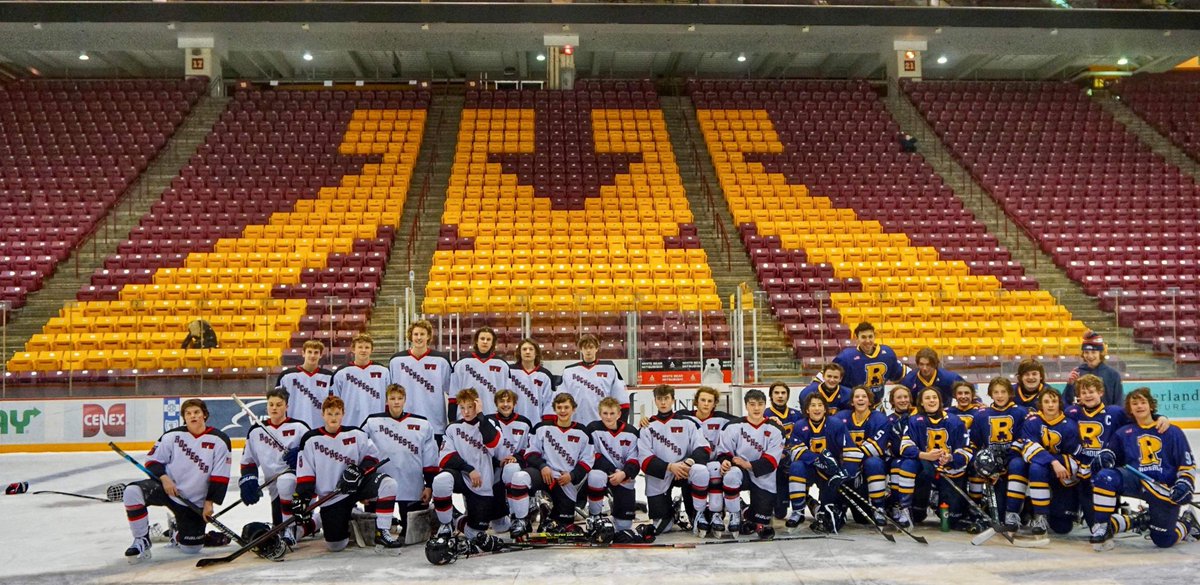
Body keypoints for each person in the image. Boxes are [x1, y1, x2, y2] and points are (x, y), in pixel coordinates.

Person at [121, 398, 231, 562]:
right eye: (188, 413)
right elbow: (152, 461)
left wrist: (209, 502)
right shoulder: (172, 436)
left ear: (205, 415)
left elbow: (220, 476)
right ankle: (141, 539)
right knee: (132, 492)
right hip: (168, 490)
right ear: (184, 417)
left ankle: (176, 532)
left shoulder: (219, 440)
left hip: (194, 502)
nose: (193, 416)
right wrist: (164, 478)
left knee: (191, 549)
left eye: (196, 412)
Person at [1090, 387, 1199, 550]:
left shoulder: (1172, 431)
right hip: (1136, 481)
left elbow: (1187, 464)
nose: (1139, 406)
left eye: (1143, 402)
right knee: (1105, 477)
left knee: (1163, 540)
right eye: (1135, 403)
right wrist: (1105, 457)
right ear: (1130, 408)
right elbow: (1111, 452)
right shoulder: (1124, 433)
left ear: (1151, 406)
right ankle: (1103, 526)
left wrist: (1184, 483)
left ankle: (1187, 521)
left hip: (1162, 488)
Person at [294, 395, 402, 551]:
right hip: (333, 496)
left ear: (343, 414)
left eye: (337, 413)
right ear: (323, 414)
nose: (333, 417)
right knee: (336, 545)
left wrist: (359, 470)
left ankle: (383, 531)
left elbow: (372, 456)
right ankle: (321, 520)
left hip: (357, 486)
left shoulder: (356, 434)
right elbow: (306, 474)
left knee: (388, 484)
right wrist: (302, 498)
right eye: (330, 414)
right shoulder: (311, 439)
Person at [1067, 374, 1171, 529]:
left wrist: (1160, 417)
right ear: (1078, 396)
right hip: (1082, 471)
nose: (1088, 395)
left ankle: (1136, 518)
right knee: (1092, 524)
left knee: (1103, 522)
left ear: (1101, 392)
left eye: (1091, 391)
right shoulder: (1072, 412)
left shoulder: (1115, 412)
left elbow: (1140, 418)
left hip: (1106, 471)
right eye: (1083, 393)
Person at [360, 384, 438, 543]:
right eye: (392, 398)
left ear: (405, 400)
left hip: (412, 483)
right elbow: (360, 451)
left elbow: (430, 457)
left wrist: (429, 485)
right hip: (380, 484)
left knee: (412, 536)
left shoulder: (422, 423)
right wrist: (363, 488)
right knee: (374, 535)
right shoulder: (372, 421)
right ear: (386, 400)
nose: (396, 402)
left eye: (400, 398)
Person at [430, 388, 505, 553]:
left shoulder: (490, 424)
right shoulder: (453, 428)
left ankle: (458, 520)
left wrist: (481, 416)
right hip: (462, 476)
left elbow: (493, 444)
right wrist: (468, 469)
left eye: (470, 407)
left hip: (483, 483)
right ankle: (445, 524)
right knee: (441, 480)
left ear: (477, 405)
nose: (466, 411)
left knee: (476, 534)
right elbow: (445, 458)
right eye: (462, 408)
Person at [509, 393, 595, 535]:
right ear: (554, 409)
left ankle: (547, 515)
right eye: (559, 407)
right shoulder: (541, 427)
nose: (562, 411)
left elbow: (587, 462)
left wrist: (572, 476)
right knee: (519, 477)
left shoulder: (583, 432)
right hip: (544, 474)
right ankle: (521, 521)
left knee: (563, 525)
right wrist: (543, 466)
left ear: (573, 409)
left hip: (565, 481)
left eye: (566, 407)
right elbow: (530, 454)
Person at [238, 388, 315, 547]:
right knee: (280, 528)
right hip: (273, 486)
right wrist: (248, 480)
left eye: (279, 404)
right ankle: (316, 523)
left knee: (285, 481)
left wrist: (300, 456)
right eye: (271, 404)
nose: (274, 408)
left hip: (298, 486)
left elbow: (314, 456)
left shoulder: (300, 427)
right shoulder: (256, 431)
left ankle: (290, 529)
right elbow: (248, 462)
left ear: (287, 406)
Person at [638, 384, 712, 534]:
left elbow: (704, 448)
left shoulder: (688, 422)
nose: (663, 402)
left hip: (685, 469)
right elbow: (644, 460)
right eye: (660, 399)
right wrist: (670, 467)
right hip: (663, 472)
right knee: (663, 528)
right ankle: (670, 512)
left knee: (700, 470)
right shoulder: (647, 426)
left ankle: (698, 513)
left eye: (666, 399)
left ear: (673, 400)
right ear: (655, 401)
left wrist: (688, 462)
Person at [1016, 388, 1086, 537]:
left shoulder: (1070, 425)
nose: (1050, 405)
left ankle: (1055, 509)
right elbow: (1029, 448)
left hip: (1064, 473)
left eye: (1054, 401)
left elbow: (1075, 457)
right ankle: (1039, 517)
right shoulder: (1032, 421)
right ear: (1040, 404)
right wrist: (1053, 461)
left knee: (1062, 527)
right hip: (1048, 466)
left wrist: (1056, 462)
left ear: (1059, 403)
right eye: (1046, 401)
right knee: (1036, 468)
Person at [897, 387, 971, 528]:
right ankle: (905, 509)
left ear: (940, 400)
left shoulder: (955, 422)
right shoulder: (915, 421)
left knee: (951, 521)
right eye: (927, 398)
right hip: (925, 468)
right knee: (907, 464)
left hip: (949, 469)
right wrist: (925, 455)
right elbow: (904, 447)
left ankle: (941, 496)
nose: (931, 400)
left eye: (934, 397)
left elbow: (966, 450)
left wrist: (950, 458)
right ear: (921, 403)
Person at [785, 392, 859, 532]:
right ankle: (798, 511)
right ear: (807, 409)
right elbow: (796, 451)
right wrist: (819, 461)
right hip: (811, 469)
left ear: (825, 409)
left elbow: (851, 450)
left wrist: (844, 473)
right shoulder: (800, 425)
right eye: (813, 405)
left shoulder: (836, 424)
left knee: (828, 508)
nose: (817, 408)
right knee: (796, 467)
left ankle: (815, 504)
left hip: (831, 472)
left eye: (820, 405)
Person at [715, 389, 783, 539]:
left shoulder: (775, 429)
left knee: (760, 521)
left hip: (764, 476)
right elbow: (724, 452)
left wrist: (748, 464)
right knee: (730, 475)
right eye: (752, 404)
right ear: (746, 405)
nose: (756, 408)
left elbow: (771, 462)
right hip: (740, 472)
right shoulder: (733, 426)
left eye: (760, 404)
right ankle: (734, 515)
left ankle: (744, 508)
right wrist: (725, 461)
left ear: (766, 405)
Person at [968, 377, 1029, 532]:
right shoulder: (981, 415)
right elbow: (974, 442)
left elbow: (1024, 438)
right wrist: (984, 465)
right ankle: (981, 513)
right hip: (994, 466)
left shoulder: (1021, 412)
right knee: (999, 514)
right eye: (996, 392)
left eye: (1003, 392)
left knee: (1018, 467)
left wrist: (1008, 460)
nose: (1000, 395)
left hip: (1014, 463)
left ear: (1010, 393)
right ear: (990, 394)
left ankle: (1017, 513)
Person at [677, 386, 736, 535]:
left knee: (715, 470)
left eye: (710, 401)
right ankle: (696, 514)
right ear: (696, 401)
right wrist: (648, 420)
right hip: (691, 463)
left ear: (714, 403)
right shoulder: (683, 416)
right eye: (703, 400)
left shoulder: (722, 418)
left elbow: (746, 421)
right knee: (692, 479)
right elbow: (662, 420)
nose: (706, 404)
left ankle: (716, 513)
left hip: (714, 463)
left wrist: (769, 419)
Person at [585, 397, 645, 543]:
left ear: (619, 414)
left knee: (624, 526)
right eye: (605, 413)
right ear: (600, 414)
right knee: (595, 476)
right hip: (605, 474)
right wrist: (613, 472)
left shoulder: (631, 432)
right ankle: (595, 515)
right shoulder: (592, 428)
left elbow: (635, 460)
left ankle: (616, 517)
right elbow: (593, 455)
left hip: (623, 476)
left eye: (612, 413)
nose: (608, 417)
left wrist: (624, 473)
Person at [388, 320, 454, 441]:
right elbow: (389, 393)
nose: (419, 338)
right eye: (416, 334)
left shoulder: (441, 360)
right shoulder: (396, 361)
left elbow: (452, 391)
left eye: (422, 334)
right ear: (410, 336)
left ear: (428, 336)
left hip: (435, 424)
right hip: (403, 422)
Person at [836, 385, 891, 524]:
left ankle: (879, 508)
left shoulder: (880, 419)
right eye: (857, 397)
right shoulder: (841, 417)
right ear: (852, 401)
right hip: (849, 467)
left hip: (868, 470)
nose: (860, 399)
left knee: (874, 462)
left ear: (870, 401)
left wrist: (852, 459)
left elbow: (875, 448)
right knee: (861, 519)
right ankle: (838, 508)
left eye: (864, 396)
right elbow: (835, 443)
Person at [488, 389, 533, 536]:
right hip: (492, 466)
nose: (505, 404)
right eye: (502, 401)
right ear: (496, 404)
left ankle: (518, 518)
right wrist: (497, 461)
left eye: (509, 401)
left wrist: (516, 457)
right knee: (500, 528)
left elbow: (529, 448)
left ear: (515, 403)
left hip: (515, 466)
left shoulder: (524, 422)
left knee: (511, 469)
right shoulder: (489, 421)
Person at [559, 334, 629, 426]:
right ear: (581, 349)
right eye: (585, 347)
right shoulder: (569, 371)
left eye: (591, 347)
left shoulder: (609, 368)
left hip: (603, 424)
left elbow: (622, 399)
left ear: (596, 348)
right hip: (576, 423)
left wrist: (622, 423)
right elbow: (560, 400)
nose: (588, 351)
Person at [833, 322, 907, 407]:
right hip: (854, 406)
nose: (868, 341)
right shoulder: (846, 357)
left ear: (874, 336)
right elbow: (828, 375)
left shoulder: (887, 353)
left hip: (877, 405)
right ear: (857, 338)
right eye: (863, 337)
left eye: (870, 336)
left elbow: (901, 374)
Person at [332, 333, 391, 431]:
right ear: (353, 349)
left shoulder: (383, 371)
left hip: (376, 425)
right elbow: (335, 401)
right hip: (349, 424)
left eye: (367, 347)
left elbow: (389, 399)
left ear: (372, 350)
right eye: (360, 347)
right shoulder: (341, 372)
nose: (363, 350)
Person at [452, 327, 511, 419]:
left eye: (488, 339)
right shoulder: (462, 363)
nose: (485, 342)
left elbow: (507, 396)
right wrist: (452, 418)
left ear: (492, 343)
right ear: (476, 341)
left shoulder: (502, 365)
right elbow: (453, 395)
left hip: (493, 416)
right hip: (466, 417)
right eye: (482, 339)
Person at [277, 340, 335, 429]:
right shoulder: (286, 376)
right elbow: (277, 402)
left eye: (316, 352)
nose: (312, 355)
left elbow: (333, 404)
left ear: (320, 355)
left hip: (320, 428)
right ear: (303, 353)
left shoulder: (329, 376)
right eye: (309, 352)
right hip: (293, 427)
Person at [765, 381, 802, 520]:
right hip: (776, 464)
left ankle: (806, 501)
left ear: (787, 396)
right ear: (771, 396)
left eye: (783, 393)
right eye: (776, 393)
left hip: (794, 459)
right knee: (780, 514)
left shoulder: (797, 415)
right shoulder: (764, 415)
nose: (780, 396)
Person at [1063, 331, 1123, 406]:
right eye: (1086, 352)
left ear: (1100, 353)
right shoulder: (1077, 373)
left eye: (1094, 352)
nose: (1090, 356)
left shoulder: (1112, 375)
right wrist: (1070, 385)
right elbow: (1067, 402)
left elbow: (1119, 403)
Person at [898, 348, 968, 408]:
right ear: (917, 364)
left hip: (944, 417)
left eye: (928, 365)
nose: (924, 368)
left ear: (935, 364)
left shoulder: (949, 378)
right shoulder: (908, 380)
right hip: (918, 419)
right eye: (921, 364)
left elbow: (969, 394)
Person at [508, 338, 556, 424]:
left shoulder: (545, 375)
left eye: (531, 349)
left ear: (536, 352)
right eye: (524, 349)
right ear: (519, 352)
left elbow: (549, 401)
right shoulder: (509, 371)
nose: (527, 352)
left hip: (537, 423)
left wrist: (546, 422)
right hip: (513, 422)